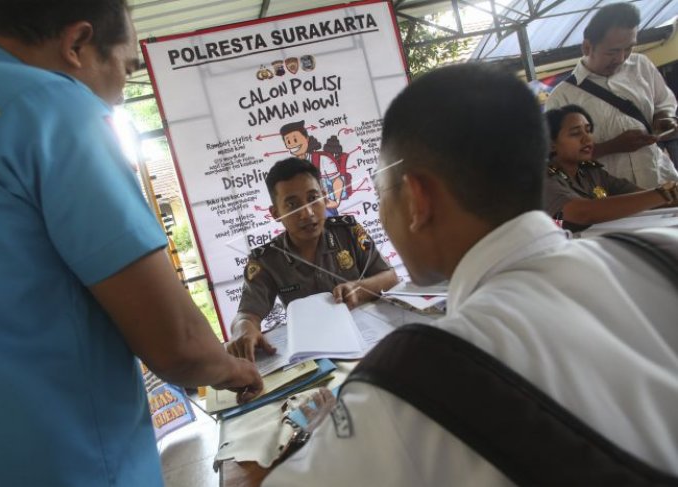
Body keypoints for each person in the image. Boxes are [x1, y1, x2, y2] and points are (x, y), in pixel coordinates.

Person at [263, 64, 678, 486]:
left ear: (417, 198)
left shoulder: (404, 388)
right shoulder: (660, 254)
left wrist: (329, 430)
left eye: (382, 189)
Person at [0, 1, 262, 485]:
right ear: (77, 45)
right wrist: (235, 372)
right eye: (126, 67)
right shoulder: (51, 107)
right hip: (68, 463)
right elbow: (176, 343)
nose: (118, 97)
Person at [227, 157, 397, 361]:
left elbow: (390, 276)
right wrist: (243, 329)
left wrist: (359, 288)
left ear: (325, 198)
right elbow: (247, 314)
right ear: (276, 213)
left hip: (370, 343)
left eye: (313, 198)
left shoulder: (348, 232)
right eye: (292, 205)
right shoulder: (267, 260)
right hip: (314, 355)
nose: (307, 213)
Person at [545, 2, 678, 188]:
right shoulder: (562, 98)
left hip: (661, 180)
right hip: (611, 197)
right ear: (587, 47)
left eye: (629, 48)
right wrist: (613, 146)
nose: (622, 58)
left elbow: (664, 103)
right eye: (612, 51)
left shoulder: (641, 66)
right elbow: (559, 158)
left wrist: (664, 118)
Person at [544, 104, 678, 231]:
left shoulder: (589, 171)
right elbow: (583, 213)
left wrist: (671, 194)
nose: (587, 139)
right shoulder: (541, 178)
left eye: (588, 130)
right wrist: (665, 193)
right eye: (575, 133)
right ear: (551, 144)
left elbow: (641, 197)